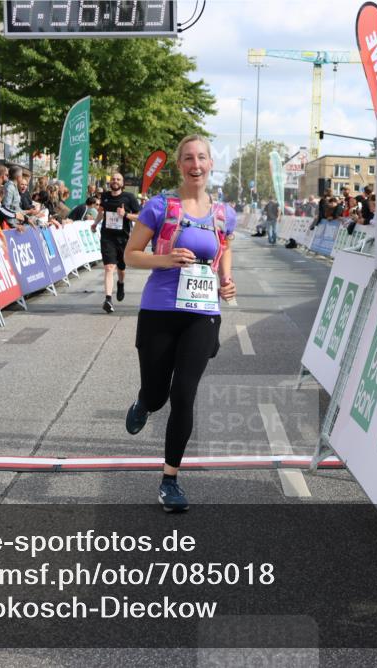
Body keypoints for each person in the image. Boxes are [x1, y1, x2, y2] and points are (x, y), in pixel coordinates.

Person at [123, 135, 238, 512]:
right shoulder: (160, 207)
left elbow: (225, 249)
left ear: (210, 163)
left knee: (184, 394)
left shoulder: (224, 214)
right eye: (189, 158)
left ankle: (169, 480)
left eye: (202, 157)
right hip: (159, 311)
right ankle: (143, 402)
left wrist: (226, 279)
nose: (196, 164)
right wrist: (166, 258)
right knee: (157, 396)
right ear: (180, 165)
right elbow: (132, 256)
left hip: (202, 315)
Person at [93, 172, 141, 312]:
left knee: (121, 268)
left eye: (118, 179)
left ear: (122, 182)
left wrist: (125, 215)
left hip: (123, 238)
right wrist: (95, 223)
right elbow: (101, 211)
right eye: (113, 179)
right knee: (109, 267)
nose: (115, 181)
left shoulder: (129, 197)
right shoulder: (105, 196)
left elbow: (139, 217)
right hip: (107, 237)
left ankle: (121, 283)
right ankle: (108, 299)